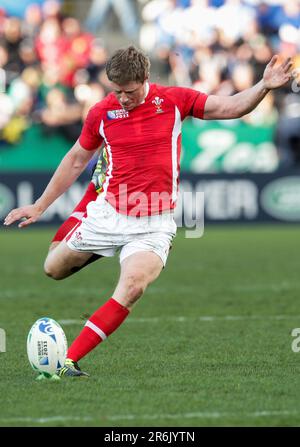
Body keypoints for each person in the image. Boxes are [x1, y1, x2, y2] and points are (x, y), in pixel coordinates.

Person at [4, 46, 292, 377]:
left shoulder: (173, 100)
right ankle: (97, 215)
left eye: (128, 91)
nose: (122, 98)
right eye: (116, 91)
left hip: (153, 222)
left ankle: (69, 360)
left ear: (146, 79)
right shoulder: (102, 112)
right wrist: (40, 205)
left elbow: (228, 107)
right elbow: (75, 159)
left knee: (133, 287)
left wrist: (264, 85)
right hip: (108, 214)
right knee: (52, 268)